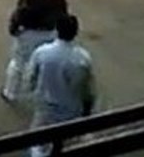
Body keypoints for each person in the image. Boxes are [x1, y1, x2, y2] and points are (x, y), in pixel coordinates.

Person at [26, 14, 97, 157]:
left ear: (57, 30)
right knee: (69, 144)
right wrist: (87, 109)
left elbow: (30, 79)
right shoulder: (82, 58)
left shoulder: (42, 52)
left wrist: (33, 91)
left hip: (45, 108)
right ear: (76, 32)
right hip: (70, 110)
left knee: (39, 145)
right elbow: (87, 91)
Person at [2, 0, 69, 102]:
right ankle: (44, 95)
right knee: (45, 65)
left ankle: (10, 92)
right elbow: (63, 15)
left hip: (29, 33)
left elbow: (19, 13)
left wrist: (13, 28)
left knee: (18, 63)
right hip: (50, 33)